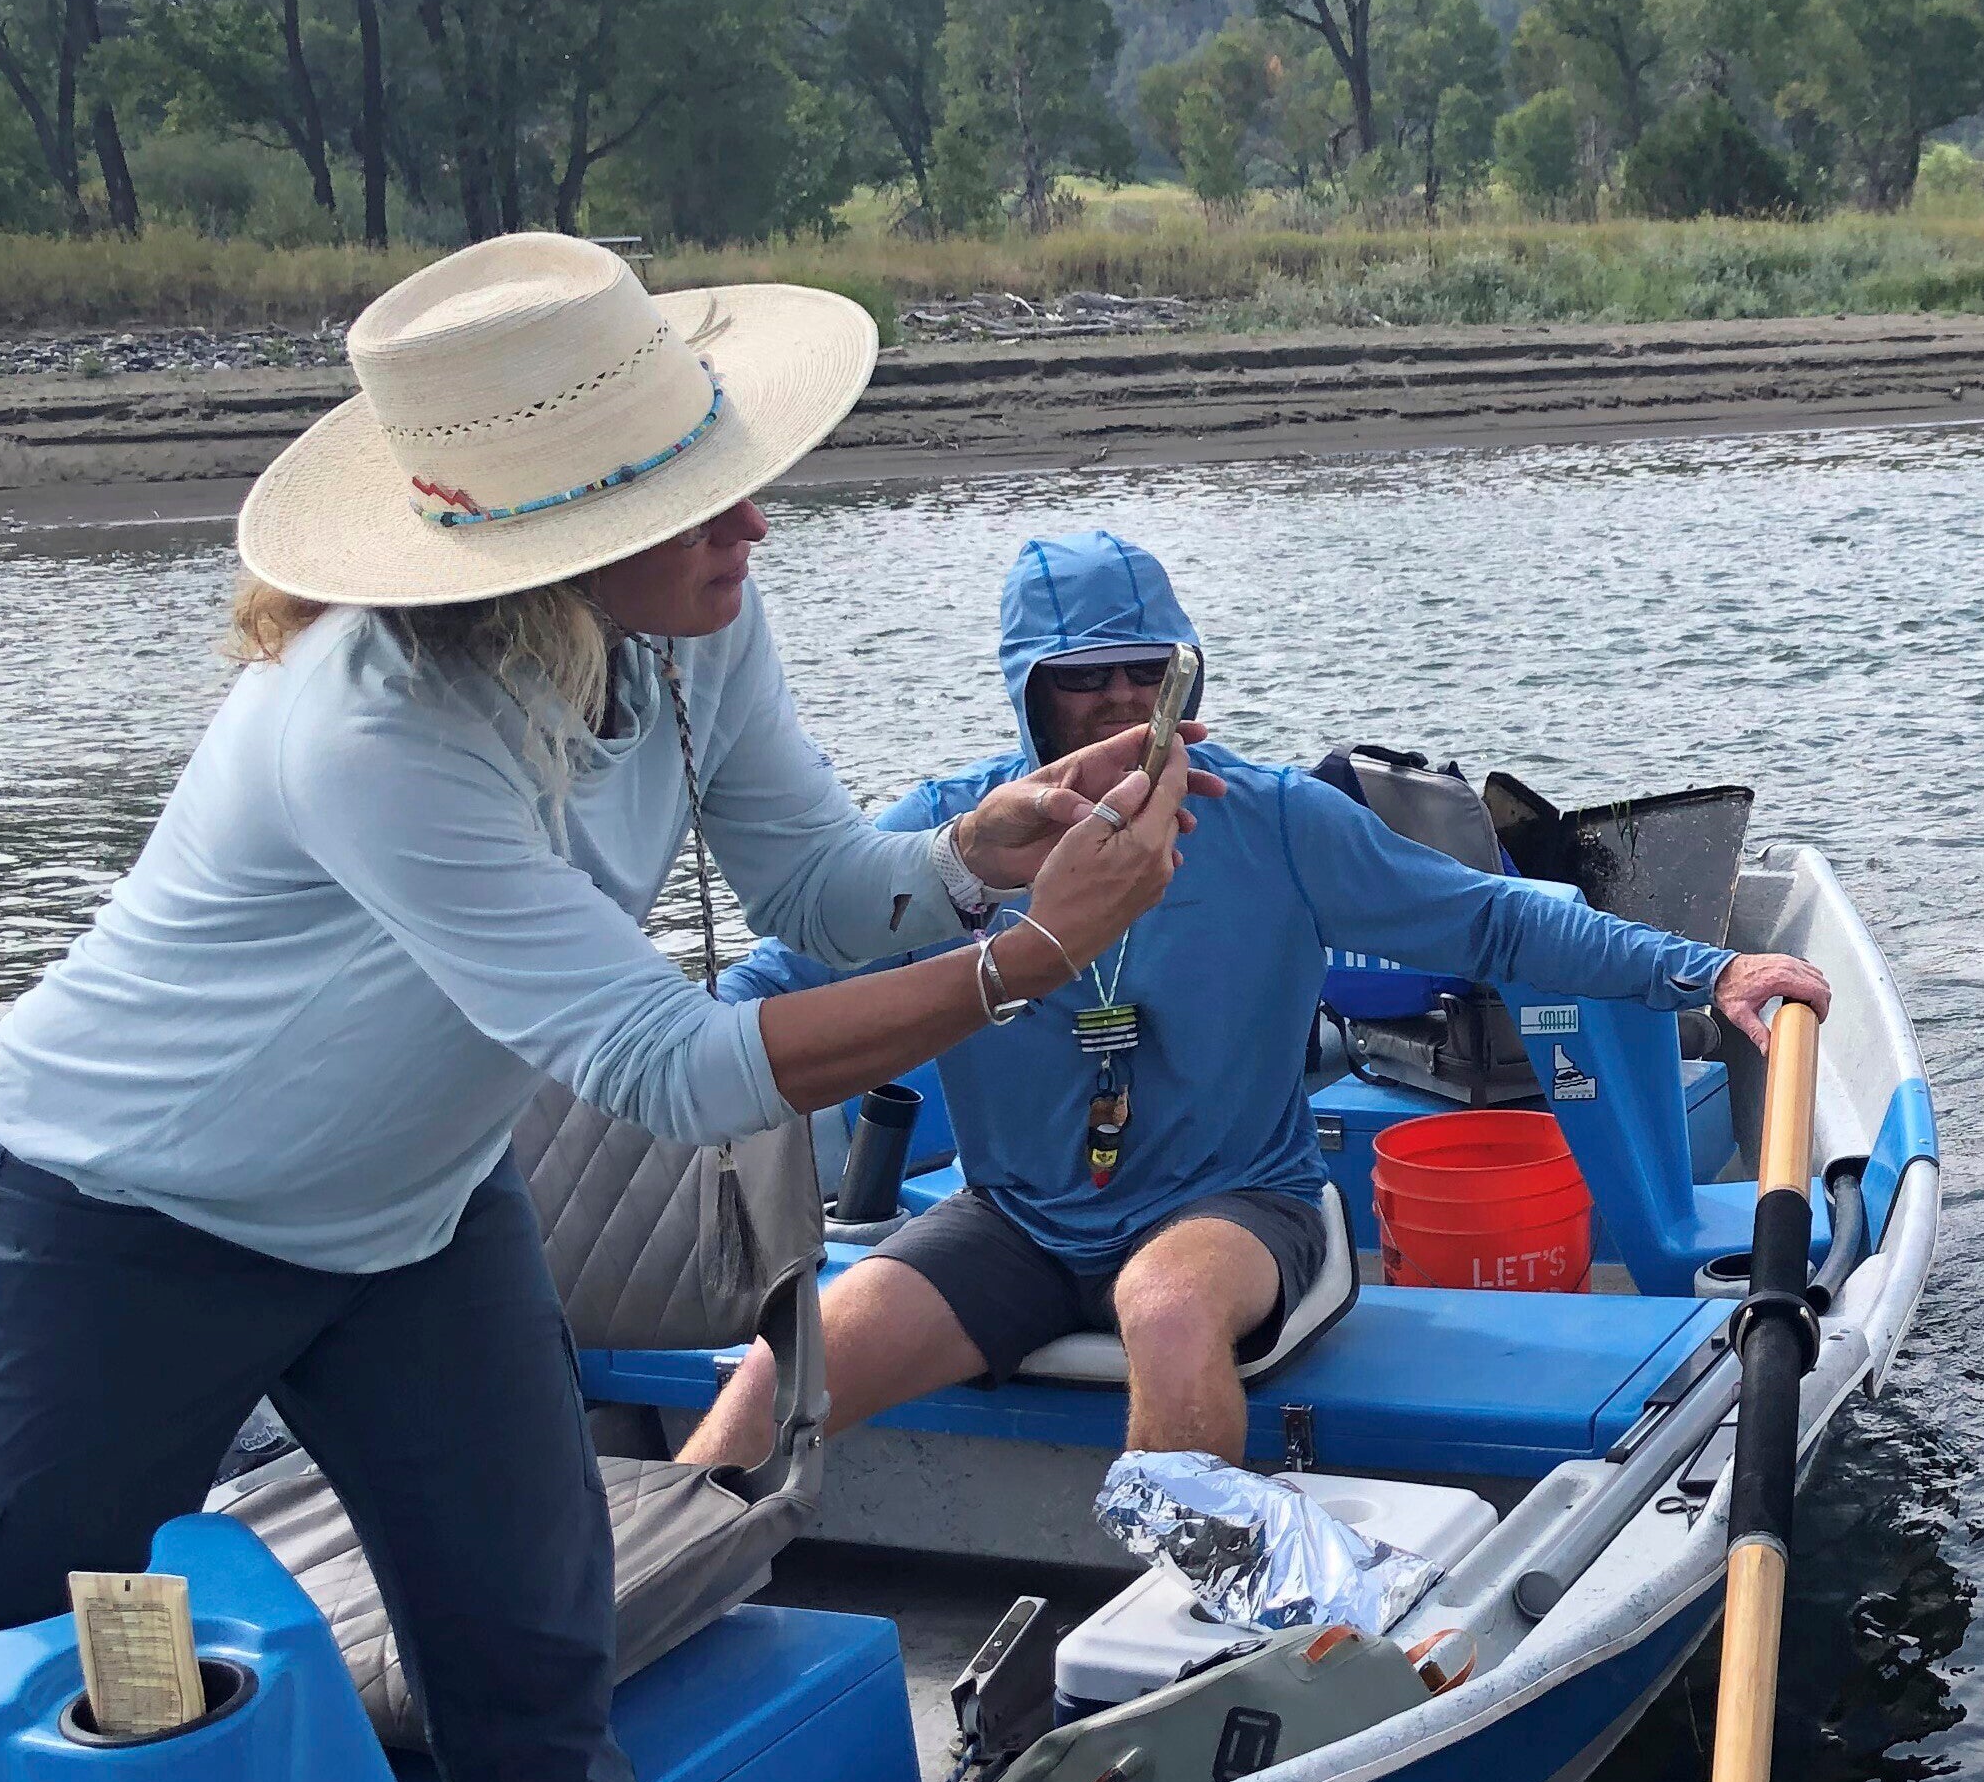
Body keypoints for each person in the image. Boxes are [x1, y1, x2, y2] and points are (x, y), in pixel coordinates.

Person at [0, 234, 1199, 1782]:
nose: (756, 524)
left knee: (532, 1657)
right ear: (558, 550)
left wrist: (976, 866)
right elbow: (667, 1071)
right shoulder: (368, 729)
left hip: (413, 1218)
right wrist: (1030, 963)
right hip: (117, 1218)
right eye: (703, 504)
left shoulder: (695, 629)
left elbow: (820, 883)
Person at [680, 530, 1828, 1472]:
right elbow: (782, 978)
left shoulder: (1277, 819)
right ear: (1028, 694)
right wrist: (631, 1062)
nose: (1123, 703)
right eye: (1084, 680)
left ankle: (1179, 1637)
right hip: (1015, 1218)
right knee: (788, 1370)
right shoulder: (952, 833)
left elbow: (1495, 916)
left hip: (1236, 1206)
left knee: (1168, 1313)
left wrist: (1709, 970)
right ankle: (667, 1587)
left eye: (1151, 674)